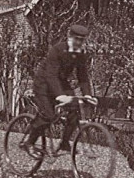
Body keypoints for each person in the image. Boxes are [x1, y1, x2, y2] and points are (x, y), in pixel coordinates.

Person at [22, 23, 97, 153]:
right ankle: (29, 142)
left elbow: (83, 76)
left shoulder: (80, 54)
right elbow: (51, 75)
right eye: (76, 39)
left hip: (60, 83)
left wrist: (88, 95)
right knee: (49, 115)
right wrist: (60, 95)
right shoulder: (57, 50)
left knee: (75, 108)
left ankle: (64, 143)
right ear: (70, 37)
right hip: (43, 84)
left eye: (82, 40)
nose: (79, 42)